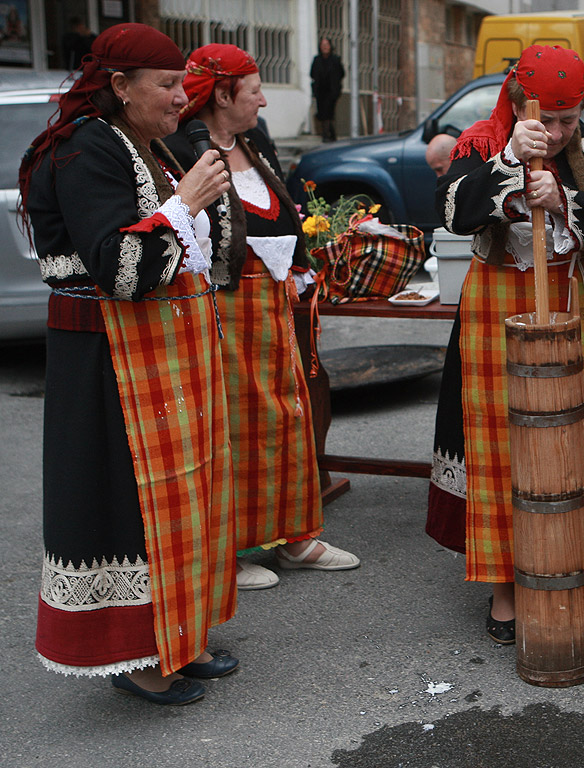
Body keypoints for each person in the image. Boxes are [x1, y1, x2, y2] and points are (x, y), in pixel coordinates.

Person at [19, 23, 240, 705]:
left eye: (183, 84)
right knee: (127, 503)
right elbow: (120, 268)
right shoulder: (86, 149)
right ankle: (138, 658)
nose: (183, 98)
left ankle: (178, 635)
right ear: (119, 86)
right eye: (168, 85)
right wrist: (187, 205)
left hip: (154, 352)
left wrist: (193, 204)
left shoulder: (142, 142)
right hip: (106, 358)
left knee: (175, 495)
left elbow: (201, 253)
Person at [426, 45, 584, 644]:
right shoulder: (480, 144)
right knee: (506, 444)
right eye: (546, 121)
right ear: (516, 102)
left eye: (568, 120)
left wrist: (567, 201)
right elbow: (452, 210)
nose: (556, 134)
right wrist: (507, 161)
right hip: (502, 306)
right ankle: (506, 581)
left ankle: (575, 566)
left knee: (583, 440)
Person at [168, 43, 360, 590]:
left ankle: (294, 537)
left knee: (285, 415)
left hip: (271, 303)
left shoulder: (254, 142)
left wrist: (300, 261)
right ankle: (226, 550)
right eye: (255, 91)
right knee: (232, 423)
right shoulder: (182, 150)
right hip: (222, 305)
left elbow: (286, 207)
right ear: (223, 94)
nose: (263, 102)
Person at [310, 37, 344, 142]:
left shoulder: (335, 60)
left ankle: (326, 134)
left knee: (329, 112)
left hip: (332, 91)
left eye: (327, 45)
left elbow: (342, 73)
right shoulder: (317, 60)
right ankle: (330, 133)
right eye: (323, 45)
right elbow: (312, 73)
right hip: (320, 91)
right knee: (322, 113)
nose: (325, 47)